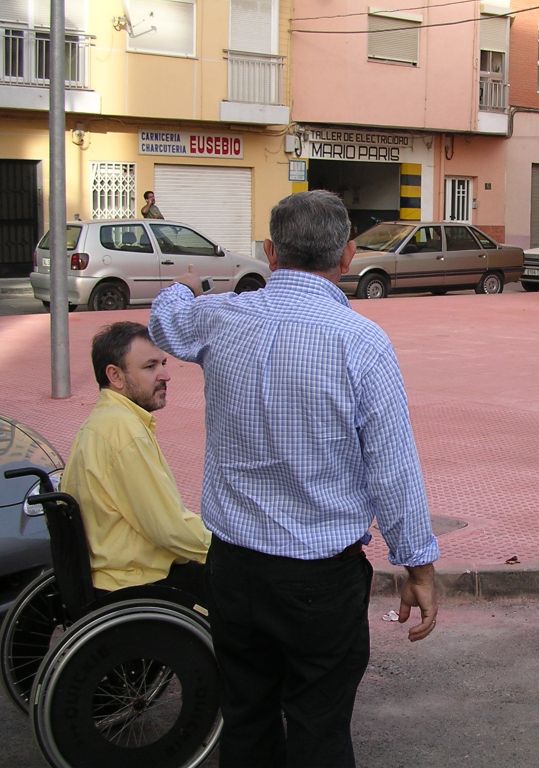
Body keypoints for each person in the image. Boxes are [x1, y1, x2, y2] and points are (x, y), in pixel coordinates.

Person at [149, 189, 440, 768]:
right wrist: (418, 567)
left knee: (246, 717)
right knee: (319, 728)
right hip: (319, 581)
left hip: (233, 568)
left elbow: (165, 321)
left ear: (270, 252)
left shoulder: (220, 319)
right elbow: (393, 469)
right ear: (348, 255)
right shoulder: (361, 342)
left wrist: (181, 286)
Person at [61, 321, 210, 600]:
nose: (166, 375)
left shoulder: (104, 421)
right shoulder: (124, 433)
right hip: (134, 582)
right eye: (150, 366)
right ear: (115, 376)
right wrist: (227, 546)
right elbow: (169, 529)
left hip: (115, 569)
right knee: (242, 587)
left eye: (163, 363)